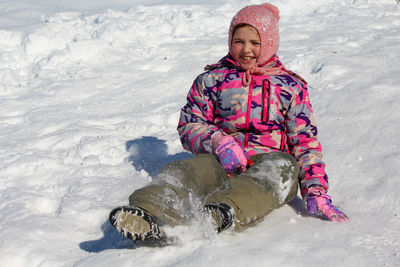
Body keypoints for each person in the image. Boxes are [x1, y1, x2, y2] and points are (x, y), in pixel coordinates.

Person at [109, 3, 348, 244]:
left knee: (283, 169)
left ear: (269, 43)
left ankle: (222, 211)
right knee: (185, 170)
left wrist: (315, 190)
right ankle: (149, 212)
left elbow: (305, 144)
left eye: (255, 43)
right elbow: (189, 125)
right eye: (238, 41)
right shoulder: (212, 79)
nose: (246, 50)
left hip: (270, 161)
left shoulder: (290, 87)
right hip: (220, 161)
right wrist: (218, 142)